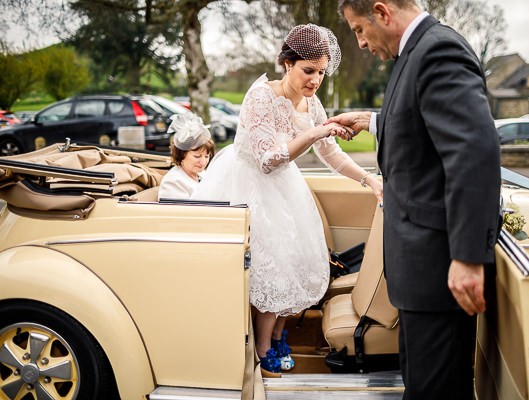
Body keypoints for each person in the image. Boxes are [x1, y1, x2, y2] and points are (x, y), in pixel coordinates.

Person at [329, 1, 501, 398]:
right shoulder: (417, 52)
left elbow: (473, 154)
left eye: (358, 29)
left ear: (382, 12)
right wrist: (372, 120)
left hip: (439, 270)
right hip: (420, 273)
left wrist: (468, 257)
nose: (360, 43)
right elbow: (421, 121)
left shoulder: (438, 51)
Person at [192, 23, 383, 375]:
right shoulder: (260, 97)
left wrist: (370, 179)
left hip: (285, 187)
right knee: (272, 267)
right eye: (308, 71)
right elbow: (267, 160)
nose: (315, 80)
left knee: (296, 262)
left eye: (322, 72)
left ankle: (279, 336)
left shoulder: (312, 102)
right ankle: (262, 349)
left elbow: (332, 154)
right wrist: (314, 132)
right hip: (247, 185)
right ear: (287, 64)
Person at [158, 113, 215, 200]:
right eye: (197, 156)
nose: (203, 162)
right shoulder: (172, 182)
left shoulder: (202, 174)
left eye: (206, 156)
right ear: (182, 154)